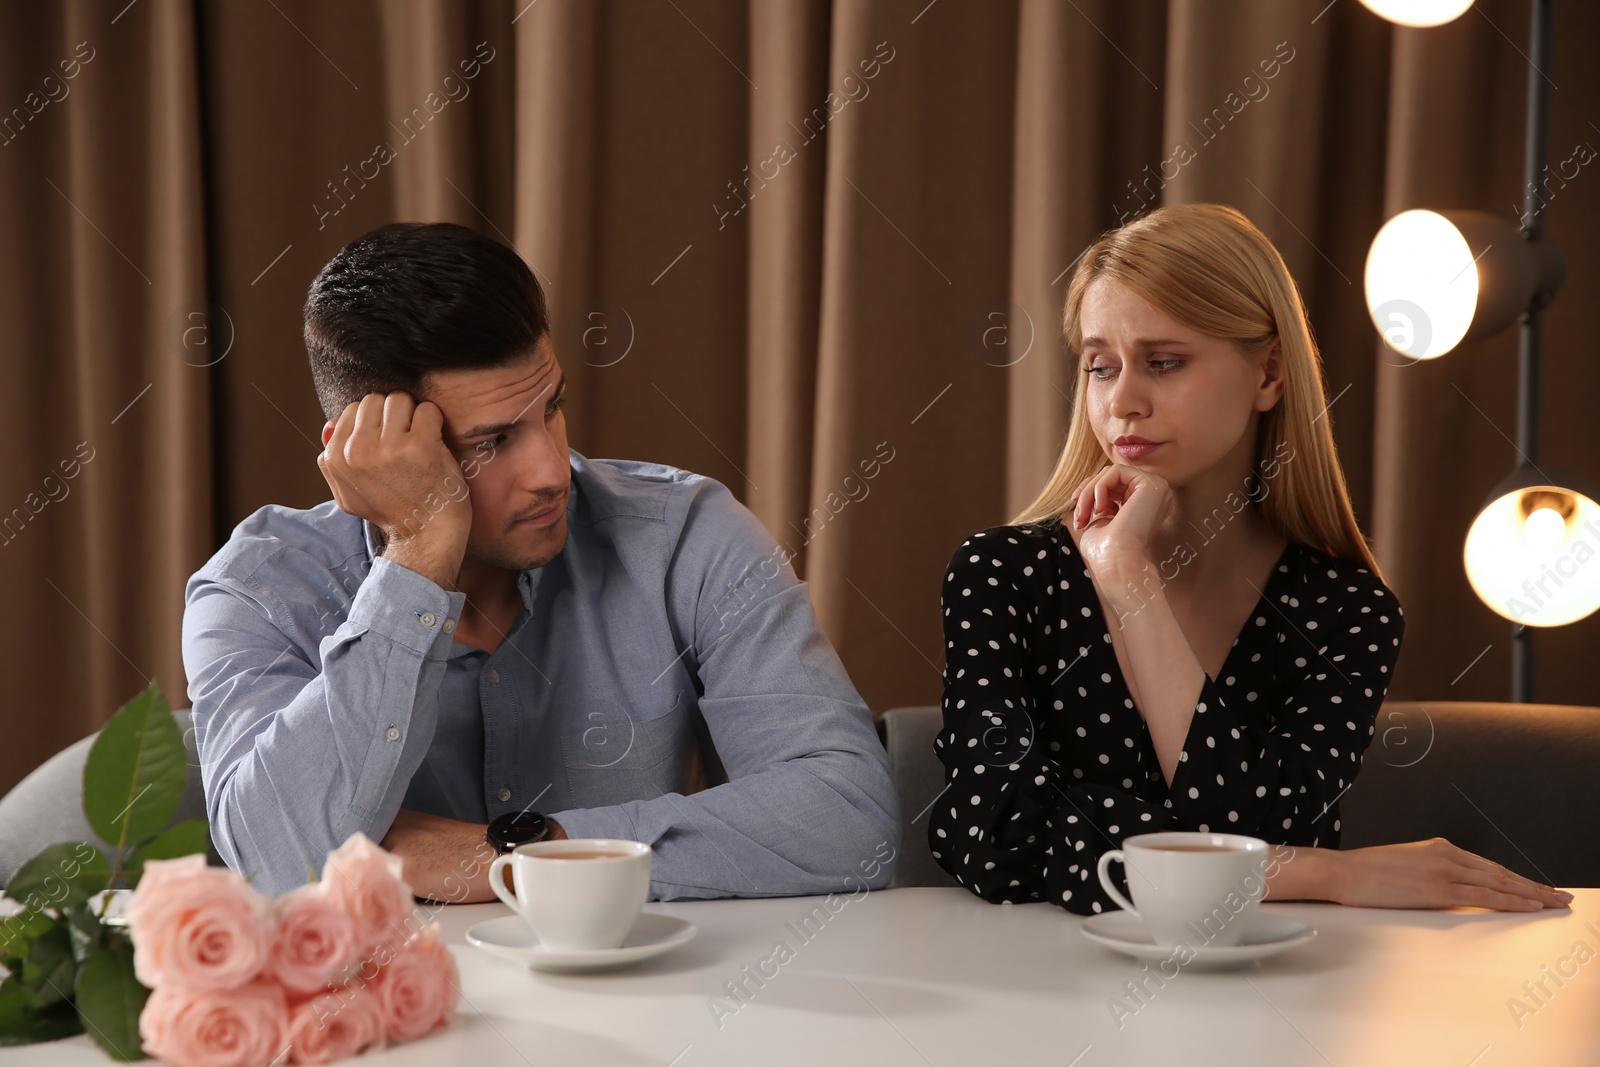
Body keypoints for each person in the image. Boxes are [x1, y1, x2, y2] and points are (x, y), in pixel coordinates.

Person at [183, 222, 899, 901]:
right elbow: (281, 860)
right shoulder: (259, 589)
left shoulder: (684, 536)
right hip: (392, 1027)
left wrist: (523, 854)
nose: (552, 470)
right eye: (492, 441)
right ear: (367, 449)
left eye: (551, 408)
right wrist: (419, 556)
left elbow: (849, 815)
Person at [930, 203, 1573, 915]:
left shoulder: (1347, 611)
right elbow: (990, 835)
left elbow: (1258, 829)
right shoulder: (1004, 574)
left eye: (1163, 362)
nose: (1123, 403)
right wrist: (1330, 873)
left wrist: (1130, 583)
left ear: (1268, 373)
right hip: (1029, 988)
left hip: (1269, 993)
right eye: (1100, 366)